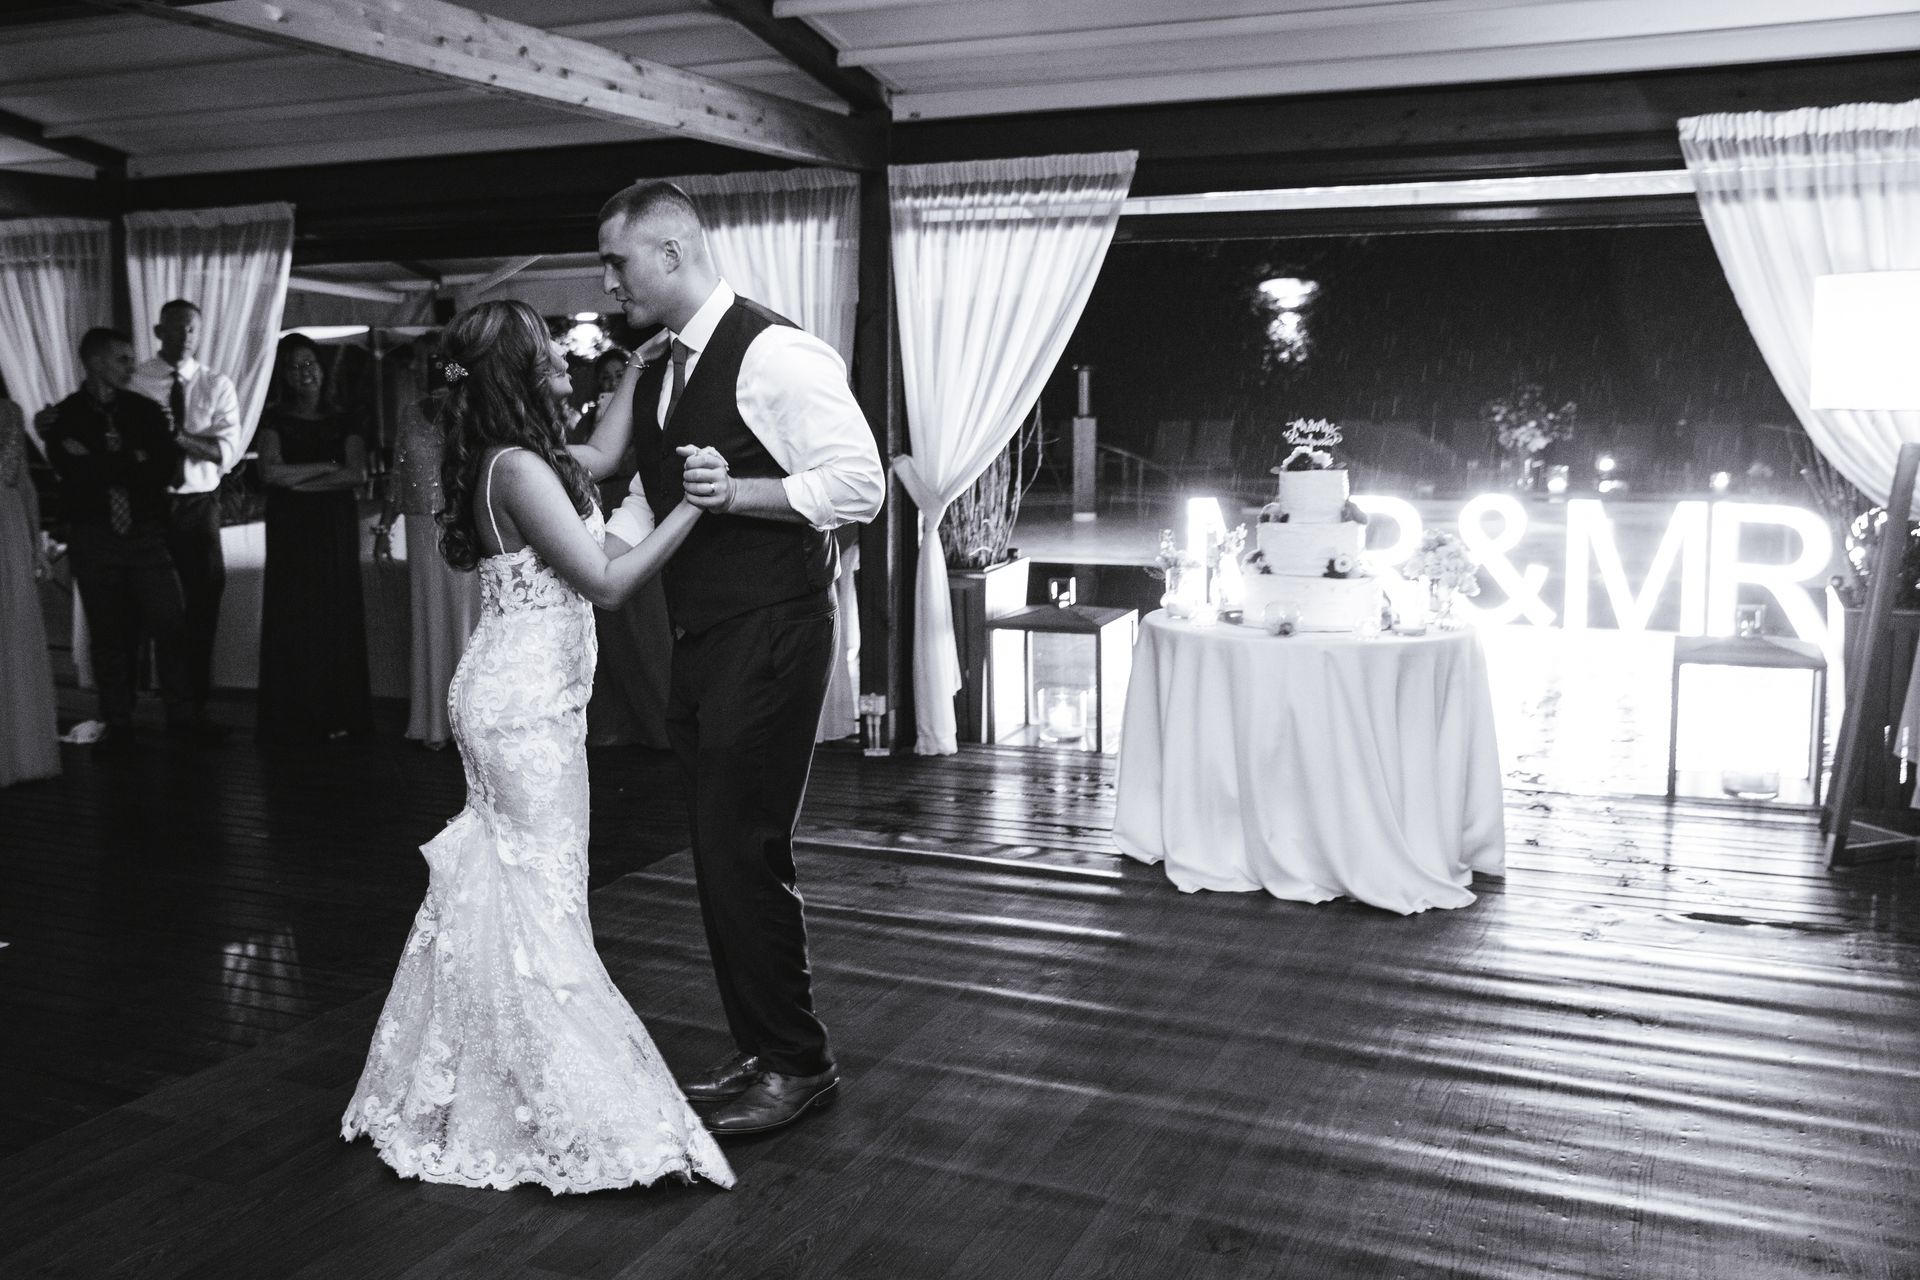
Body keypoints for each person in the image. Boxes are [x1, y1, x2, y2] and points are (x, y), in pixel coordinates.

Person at [340, 299, 731, 1193]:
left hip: (518, 701)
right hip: (523, 714)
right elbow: (607, 581)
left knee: (508, 894)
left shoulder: (519, 461)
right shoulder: (515, 468)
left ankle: (484, 1078)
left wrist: (628, 383)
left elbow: (597, 456)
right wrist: (693, 509)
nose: (567, 363)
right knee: (546, 905)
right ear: (520, 373)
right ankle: (571, 1103)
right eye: (550, 356)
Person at [598, 180, 885, 1135]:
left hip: (773, 631)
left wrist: (742, 495)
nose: (610, 283)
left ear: (672, 253)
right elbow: (641, 507)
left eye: (618, 262)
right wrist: (561, 559)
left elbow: (860, 484)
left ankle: (798, 1064)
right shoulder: (662, 368)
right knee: (720, 854)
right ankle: (767, 1048)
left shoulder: (774, 351)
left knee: (742, 847)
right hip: (703, 638)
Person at [37, 328, 190, 752]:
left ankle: (182, 715)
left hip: (143, 532)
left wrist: (101, 462)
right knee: (107, 632)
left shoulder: (145, 412)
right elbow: (73, 473)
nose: (131, 367)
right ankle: (117, 719)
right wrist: (131, 461)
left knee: (171, 623)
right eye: (122, 359)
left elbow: (161, 469)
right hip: (94, 533)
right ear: (95, 361)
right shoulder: (64, 417)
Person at [131, 299, 242, 740]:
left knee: (203, 605)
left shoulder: (217, 384)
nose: (184, 337)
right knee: (157, 607)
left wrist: (175, 438)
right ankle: (158, 705)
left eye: (192, 329)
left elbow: (223, 452)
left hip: (199, 506)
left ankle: (195, 709)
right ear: (159, 331)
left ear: (200, 333)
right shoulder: (137, 381)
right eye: (176, 329)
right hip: (151, 506)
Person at [254, 334, 373, 743]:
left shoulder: (347, 417)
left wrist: (297, 478)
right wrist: (326, 466)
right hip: (290, 528)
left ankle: (338, 714)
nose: (303, 373)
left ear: (322, 368)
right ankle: (293, 716)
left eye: (309, 364)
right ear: (284, 376)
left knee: (333, 612)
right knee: (293, 614)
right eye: (293, 367)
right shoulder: (273, 419)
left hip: (332, 527)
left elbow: (356, 474)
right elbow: (268, 474)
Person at [375, 346, 481, 749]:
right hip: (421, 528)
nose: (434, 369)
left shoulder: (473, 413)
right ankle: (436, 721)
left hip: (464, 527)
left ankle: (471, 722)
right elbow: (398, 476)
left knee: (467, 619)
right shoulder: (409, 413)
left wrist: (458, 388)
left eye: (443, 364)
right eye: (430, 362)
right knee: (430, 618)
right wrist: (384, 528)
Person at [0, 391, 60, 784]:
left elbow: (23, 481)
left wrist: (37, 546)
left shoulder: (9, 412)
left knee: (13, 630)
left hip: (7, 527)